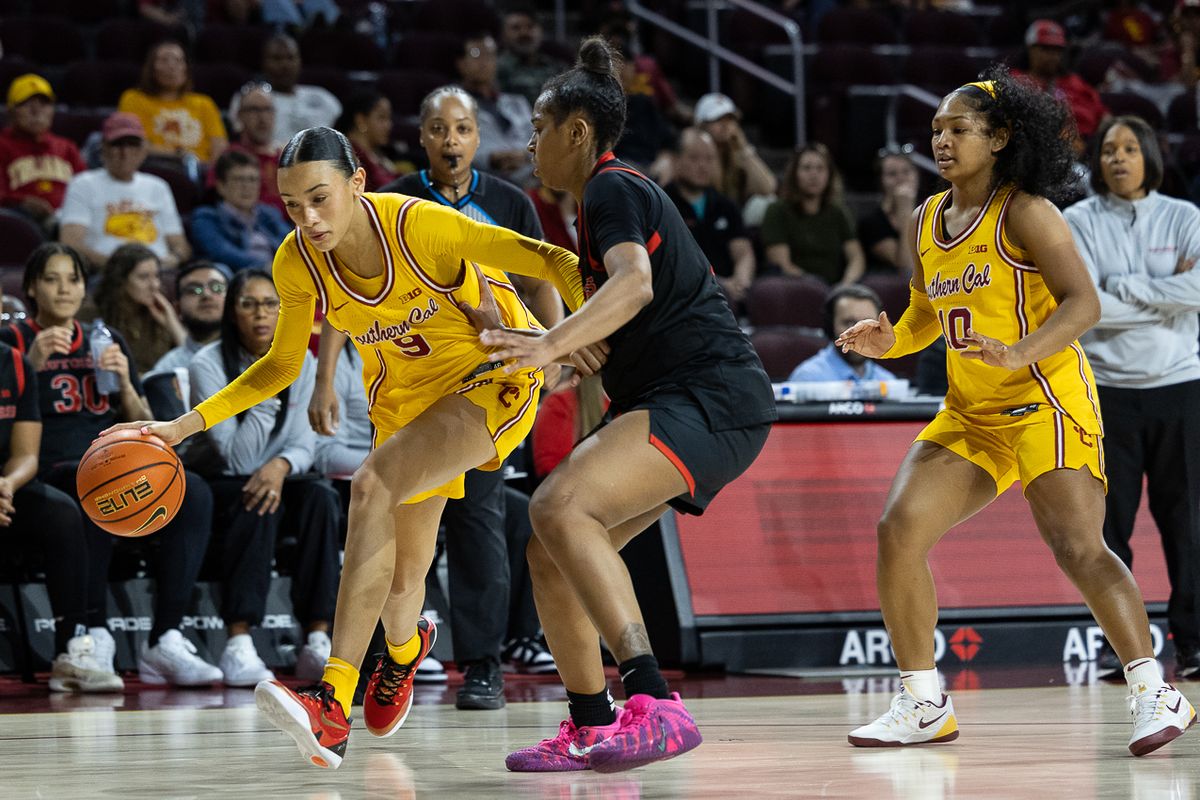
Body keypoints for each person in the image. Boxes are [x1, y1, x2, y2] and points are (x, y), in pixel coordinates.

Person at [101, 125, 584, 769]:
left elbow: (556, 260)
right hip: (407, 402)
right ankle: (407, 649)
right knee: (404, 578)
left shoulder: (421, 226)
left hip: (492, 375)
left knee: (370, 485)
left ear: (359, 183)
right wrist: (180, 429)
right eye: (293, 205)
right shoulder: (295, 260)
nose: (308, 219)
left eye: (321, 199)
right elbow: (278, 366)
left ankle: (333, 704)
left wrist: (575, 344)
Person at [835, 71, 1196, 756]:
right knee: (898, 531)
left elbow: (1083, 303)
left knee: (1080, 548)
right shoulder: (925, 219)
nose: (941, 140)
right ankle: (922, 702)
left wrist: (1020, 353)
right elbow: (923, 317)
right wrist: (891, 340)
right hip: (972, 411)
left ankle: (1155, 688)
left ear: (1000, 138)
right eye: (937, 129)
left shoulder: (1027, 210)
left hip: (1045, 400)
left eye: (958, 129)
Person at [491, 37, 776, 773]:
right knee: (548, 550)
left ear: (576, 133)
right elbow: (628, 311)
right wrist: (579, 352)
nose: (530, 143)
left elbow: (636, 284)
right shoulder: (599, 204)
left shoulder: (612, 187)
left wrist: (550, 342)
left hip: (709, 393)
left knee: (557, 508)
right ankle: (591, 722)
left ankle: (655, 703)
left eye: (539, 128)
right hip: (671, 396)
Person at [370, 84, 562, 709]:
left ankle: (483, 665)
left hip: (486, 387)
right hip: (408, 382)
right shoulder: (393, 202)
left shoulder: (510, 200)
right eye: (437, 129)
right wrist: (325, 383)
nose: (450, 140)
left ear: (478, 137)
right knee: (395, 525)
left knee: (479, 518)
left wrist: (552, 349)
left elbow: (541, 283)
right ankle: (392, 651)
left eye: (461, 129)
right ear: (421, 136)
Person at [0, 243, 221, 688]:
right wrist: (34, 364)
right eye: (52, 279)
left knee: (193, 490)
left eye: (74, 279)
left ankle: (166, 638)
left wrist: (122, 381)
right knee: (91, 489)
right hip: (50, 466)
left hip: (114, 453)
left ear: (86, 287)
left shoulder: (106, 338)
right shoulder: (14, 343)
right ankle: (94, 629)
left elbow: (139, 413)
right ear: (31, 288)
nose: (65, 289)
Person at [1064, 115, 1200, 681]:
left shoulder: (1185, 216)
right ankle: (1130, 650)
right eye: (1108, 150)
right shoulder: (1075, 221)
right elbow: (1084, 305)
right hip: (1106, 392)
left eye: (1129, 149)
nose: (1118, 158)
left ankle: (1193, 646)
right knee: (1108, 527)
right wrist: (1167, 294)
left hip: (1180, 387)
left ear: (1149, 156)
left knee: (1187, 524)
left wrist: (1125, 287)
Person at [186, 268, 340, 685]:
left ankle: (317, 638)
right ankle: (239, 641)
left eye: (271, 304)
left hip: (281, 475)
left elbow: (307, 443)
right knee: (255, 497)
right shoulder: (208, 364)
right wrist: (264, 389)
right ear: (231, 313)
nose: (261, 314)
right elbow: (237, 456)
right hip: (223, 486)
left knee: (321, 499)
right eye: (248, 303)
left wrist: (283, 465)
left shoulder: (304, 360)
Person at [0, 324, 119, 693]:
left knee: (62, 512)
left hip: (4, 492)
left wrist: (6, 485)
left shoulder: (14, 363)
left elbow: (25, 455)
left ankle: (73, 649)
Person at [59, 112, 191, 270]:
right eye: (118, 144)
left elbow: (180, 246)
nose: (125, 152)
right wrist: (123, 269)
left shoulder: (158, 186)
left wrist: (172, 259)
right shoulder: (83, 183)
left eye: (132, 144)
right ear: (104, 148)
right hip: (108, 273)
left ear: (144, 149)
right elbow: (71, 243)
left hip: (158, 272)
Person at [663, 128, 755, 306]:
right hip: (681, 299)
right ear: (676, 160)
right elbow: (669, 261)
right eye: (694, 158)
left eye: (709, 158)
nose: (703, 165)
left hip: (728, 299)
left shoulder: (726, 205)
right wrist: (719, 284)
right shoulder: (661, 204)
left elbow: (743, 252)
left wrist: (740, 280)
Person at [761, 143, 865, 286]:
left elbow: (856, 258)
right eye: (806, 168)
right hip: (795, 287)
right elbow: (781, 264)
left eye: (820, 168)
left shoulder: (838, 212)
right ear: (794, 174)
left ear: (829, 175)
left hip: (836, 288)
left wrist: (846, 285)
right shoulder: (777, 210)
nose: (814, 174)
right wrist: (816, 287)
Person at [117, 40, 228, 165]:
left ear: (186, 68)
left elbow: (219, 146)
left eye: (178, 60)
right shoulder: (134, 99)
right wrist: (178, 155)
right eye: (164, 60)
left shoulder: (204, 103)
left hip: (200, 170)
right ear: (151, 68)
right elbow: (133, 143)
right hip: (154, 166)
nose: (172, 66)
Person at [0, 74, 85, 233]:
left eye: (44, 103)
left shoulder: (67, 147)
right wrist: (22, 201)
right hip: (20, 225)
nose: (36, 110)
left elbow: (87, 190)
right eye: (27, 103)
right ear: (11, 111)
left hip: (68, 222)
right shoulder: (2, 146)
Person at [93, 243, 187, 373]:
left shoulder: (158, 313)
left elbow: (191, 360)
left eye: (156, 276)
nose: (154, 285)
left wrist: (172, 322)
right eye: (143, 277)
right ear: (121, 281)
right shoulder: (95, 314)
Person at [457, 33, 535, 186]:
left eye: (490, 55)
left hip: (532, 171)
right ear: (461, 63)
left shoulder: (517, 102)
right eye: (476, 54)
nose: (484, 62)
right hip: (485, 178)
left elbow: (539, 140)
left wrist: (523, 156)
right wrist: (492, 158)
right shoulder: (450, 104)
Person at [192, 150, 291, 271]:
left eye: (252, 179)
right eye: (239, 179)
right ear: (221, 186)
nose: (247, 186)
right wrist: (268, 267)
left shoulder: (269, 213)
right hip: (240, 277)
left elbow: (292, 244)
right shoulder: (206, 217)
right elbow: (223, 253)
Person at [236, 34, 341, 145]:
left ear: (300, 61)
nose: (285, 65)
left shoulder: (321, 96)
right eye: (277, 58)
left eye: (290, 58)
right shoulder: (250, 98)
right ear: (263, 63)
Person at [1012, 19, 1109, 140]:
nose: (1052, 56)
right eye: (1045, 49)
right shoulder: (1015, 81)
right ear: (1029, 50)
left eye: (1057, 50)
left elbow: (1104, 115)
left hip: (1089, 146)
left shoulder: (1075, 81)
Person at [789, 285, 898, 383]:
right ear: (830, 327)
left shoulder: (889, 381)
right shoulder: (807, 379)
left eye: (868, 323)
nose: (859, 332)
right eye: (849, 323)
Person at [694, 92, 777, 208]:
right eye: (718, 119)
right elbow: (714, 189)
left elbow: (767, 188)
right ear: (702, 125)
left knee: (767, 202)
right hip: (703, 215)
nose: (725, 125)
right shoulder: (691, 155)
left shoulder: (737, 152)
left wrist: (743, 148)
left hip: (733, 215)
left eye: (730, 119)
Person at [213, 82, 285, 215]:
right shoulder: (230, 156)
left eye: (267, 109)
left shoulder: (287, 158)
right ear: (240, 116)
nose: (262, 117)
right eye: (254, 110)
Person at [859, 145, 920, 275]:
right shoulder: (871, 223)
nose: (901, 178)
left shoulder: (933, 214)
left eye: (906, 172)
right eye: (892, 174)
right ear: (881, 181)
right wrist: (905, 211)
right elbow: (906, 267)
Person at [498, 5, 568, 106]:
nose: (524, 33)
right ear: (503, 34)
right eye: (516, 28)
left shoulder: (557, 68)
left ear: (541, 31)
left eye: (530, 26)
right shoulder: (496, 70)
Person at [334, 90, 398, 192]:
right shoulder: (348, 157)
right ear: (361, 120)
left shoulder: (376, 154)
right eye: (382, 118)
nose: (388, 125)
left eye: (389, 118)